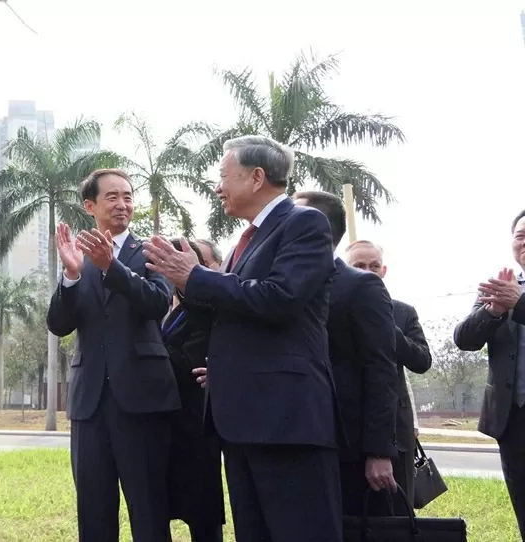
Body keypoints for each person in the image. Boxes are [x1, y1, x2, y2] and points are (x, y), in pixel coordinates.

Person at [143, 135, 341, 542]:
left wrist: (197, 276)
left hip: (285, 420)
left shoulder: (304, 223)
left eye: (222, 176)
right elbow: (231, 310)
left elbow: (280, 298)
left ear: (255, 177)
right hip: (242, 421)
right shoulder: (243, 243)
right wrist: (183, 283)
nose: (217, 187)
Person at [47, 168, 180, 542]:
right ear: (90, 205)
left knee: (149, 508)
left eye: (128, 196)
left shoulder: (153, 250)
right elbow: (59, 325)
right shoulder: (79, 258)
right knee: (93, 509)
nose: (123, 204)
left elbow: (157, 304)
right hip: (89, 404)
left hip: (143, 401)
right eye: (112, 197)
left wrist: (112, 267)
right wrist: (71, 276)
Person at [292, 192, 399, 516]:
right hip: (296, 439)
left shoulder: (360, 287)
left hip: (349, 447)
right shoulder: (285, 284)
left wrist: (378, 452)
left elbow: (381, 369)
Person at [345, 239, 433, 510]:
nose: (368, 271)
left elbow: (422, 361)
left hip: (395, 430)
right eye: (359, 266)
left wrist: (388, 330)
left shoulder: (402, 312)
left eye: (374, 266)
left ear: (384, 271)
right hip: (345, 426)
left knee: (394, 515)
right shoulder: (332, 306)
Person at [454, 209, 525, 538]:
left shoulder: (515, 293)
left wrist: (520, 303)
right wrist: (494, 310)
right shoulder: (501, 287)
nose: (524, 242)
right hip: (512, 421)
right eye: (520, 235)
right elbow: (464, 339)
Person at [161, 238, 225, 542]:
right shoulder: (160, 303)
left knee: (202, 513)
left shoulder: (208, 306)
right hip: (163, 421)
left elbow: (194, 362)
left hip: (196, 422)